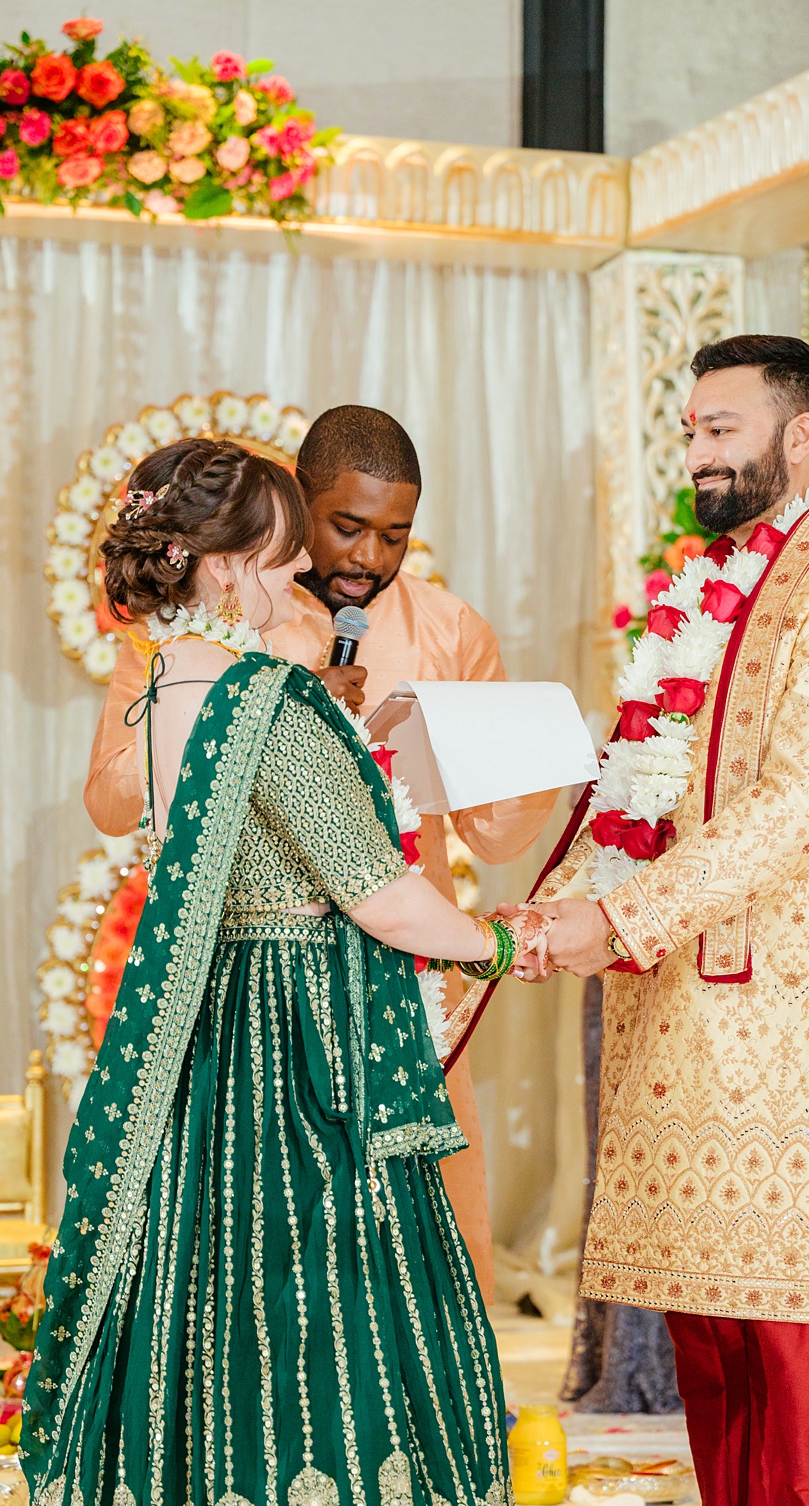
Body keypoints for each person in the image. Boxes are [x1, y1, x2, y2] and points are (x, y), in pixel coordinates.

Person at [0, 436, 573, 1506]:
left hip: (199, 1056)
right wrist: (520, 944)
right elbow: (384, 898)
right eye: (278, 549)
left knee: (199, 1328)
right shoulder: (273, 700)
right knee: (340, 1331)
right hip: (309, 1059)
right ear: (224, 563)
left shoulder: (156, 700)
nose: (302, 571)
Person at [507, 334, 809, 1506]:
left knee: (800, 1313)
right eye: (688, 428)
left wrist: (618, 916)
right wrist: (566, 905)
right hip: (674, 987)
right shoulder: (704, 585)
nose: (697, 451)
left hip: (790, 997)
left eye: (723, 427)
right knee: (711, 1314)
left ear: (800, 440)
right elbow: (640, 778)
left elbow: (801, 805)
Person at [83, 406, 560, 1314]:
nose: (369, 557)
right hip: (260, 978)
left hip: (410, 963)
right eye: (346, 526)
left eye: (396, 535)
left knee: (432, 1194)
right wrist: (287, 719)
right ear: (297, 510)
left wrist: (445, 746)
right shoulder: (207, 625)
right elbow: (111, 802)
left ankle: (436, 1429)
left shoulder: (451, 628)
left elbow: (499, 833)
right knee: (276, 1225)